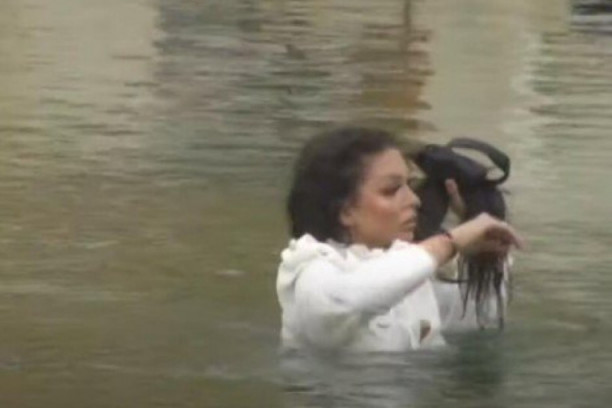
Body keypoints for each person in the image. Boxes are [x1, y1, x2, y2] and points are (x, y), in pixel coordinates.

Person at [276, 127, 522, 352]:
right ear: (345, 211)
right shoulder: (309, 273)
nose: (415, 200)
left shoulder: (407, 271)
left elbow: (479, 319)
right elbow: (345, 300)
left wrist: (484, 247)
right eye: (391, 190)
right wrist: (449, 242)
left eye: (410, 185)